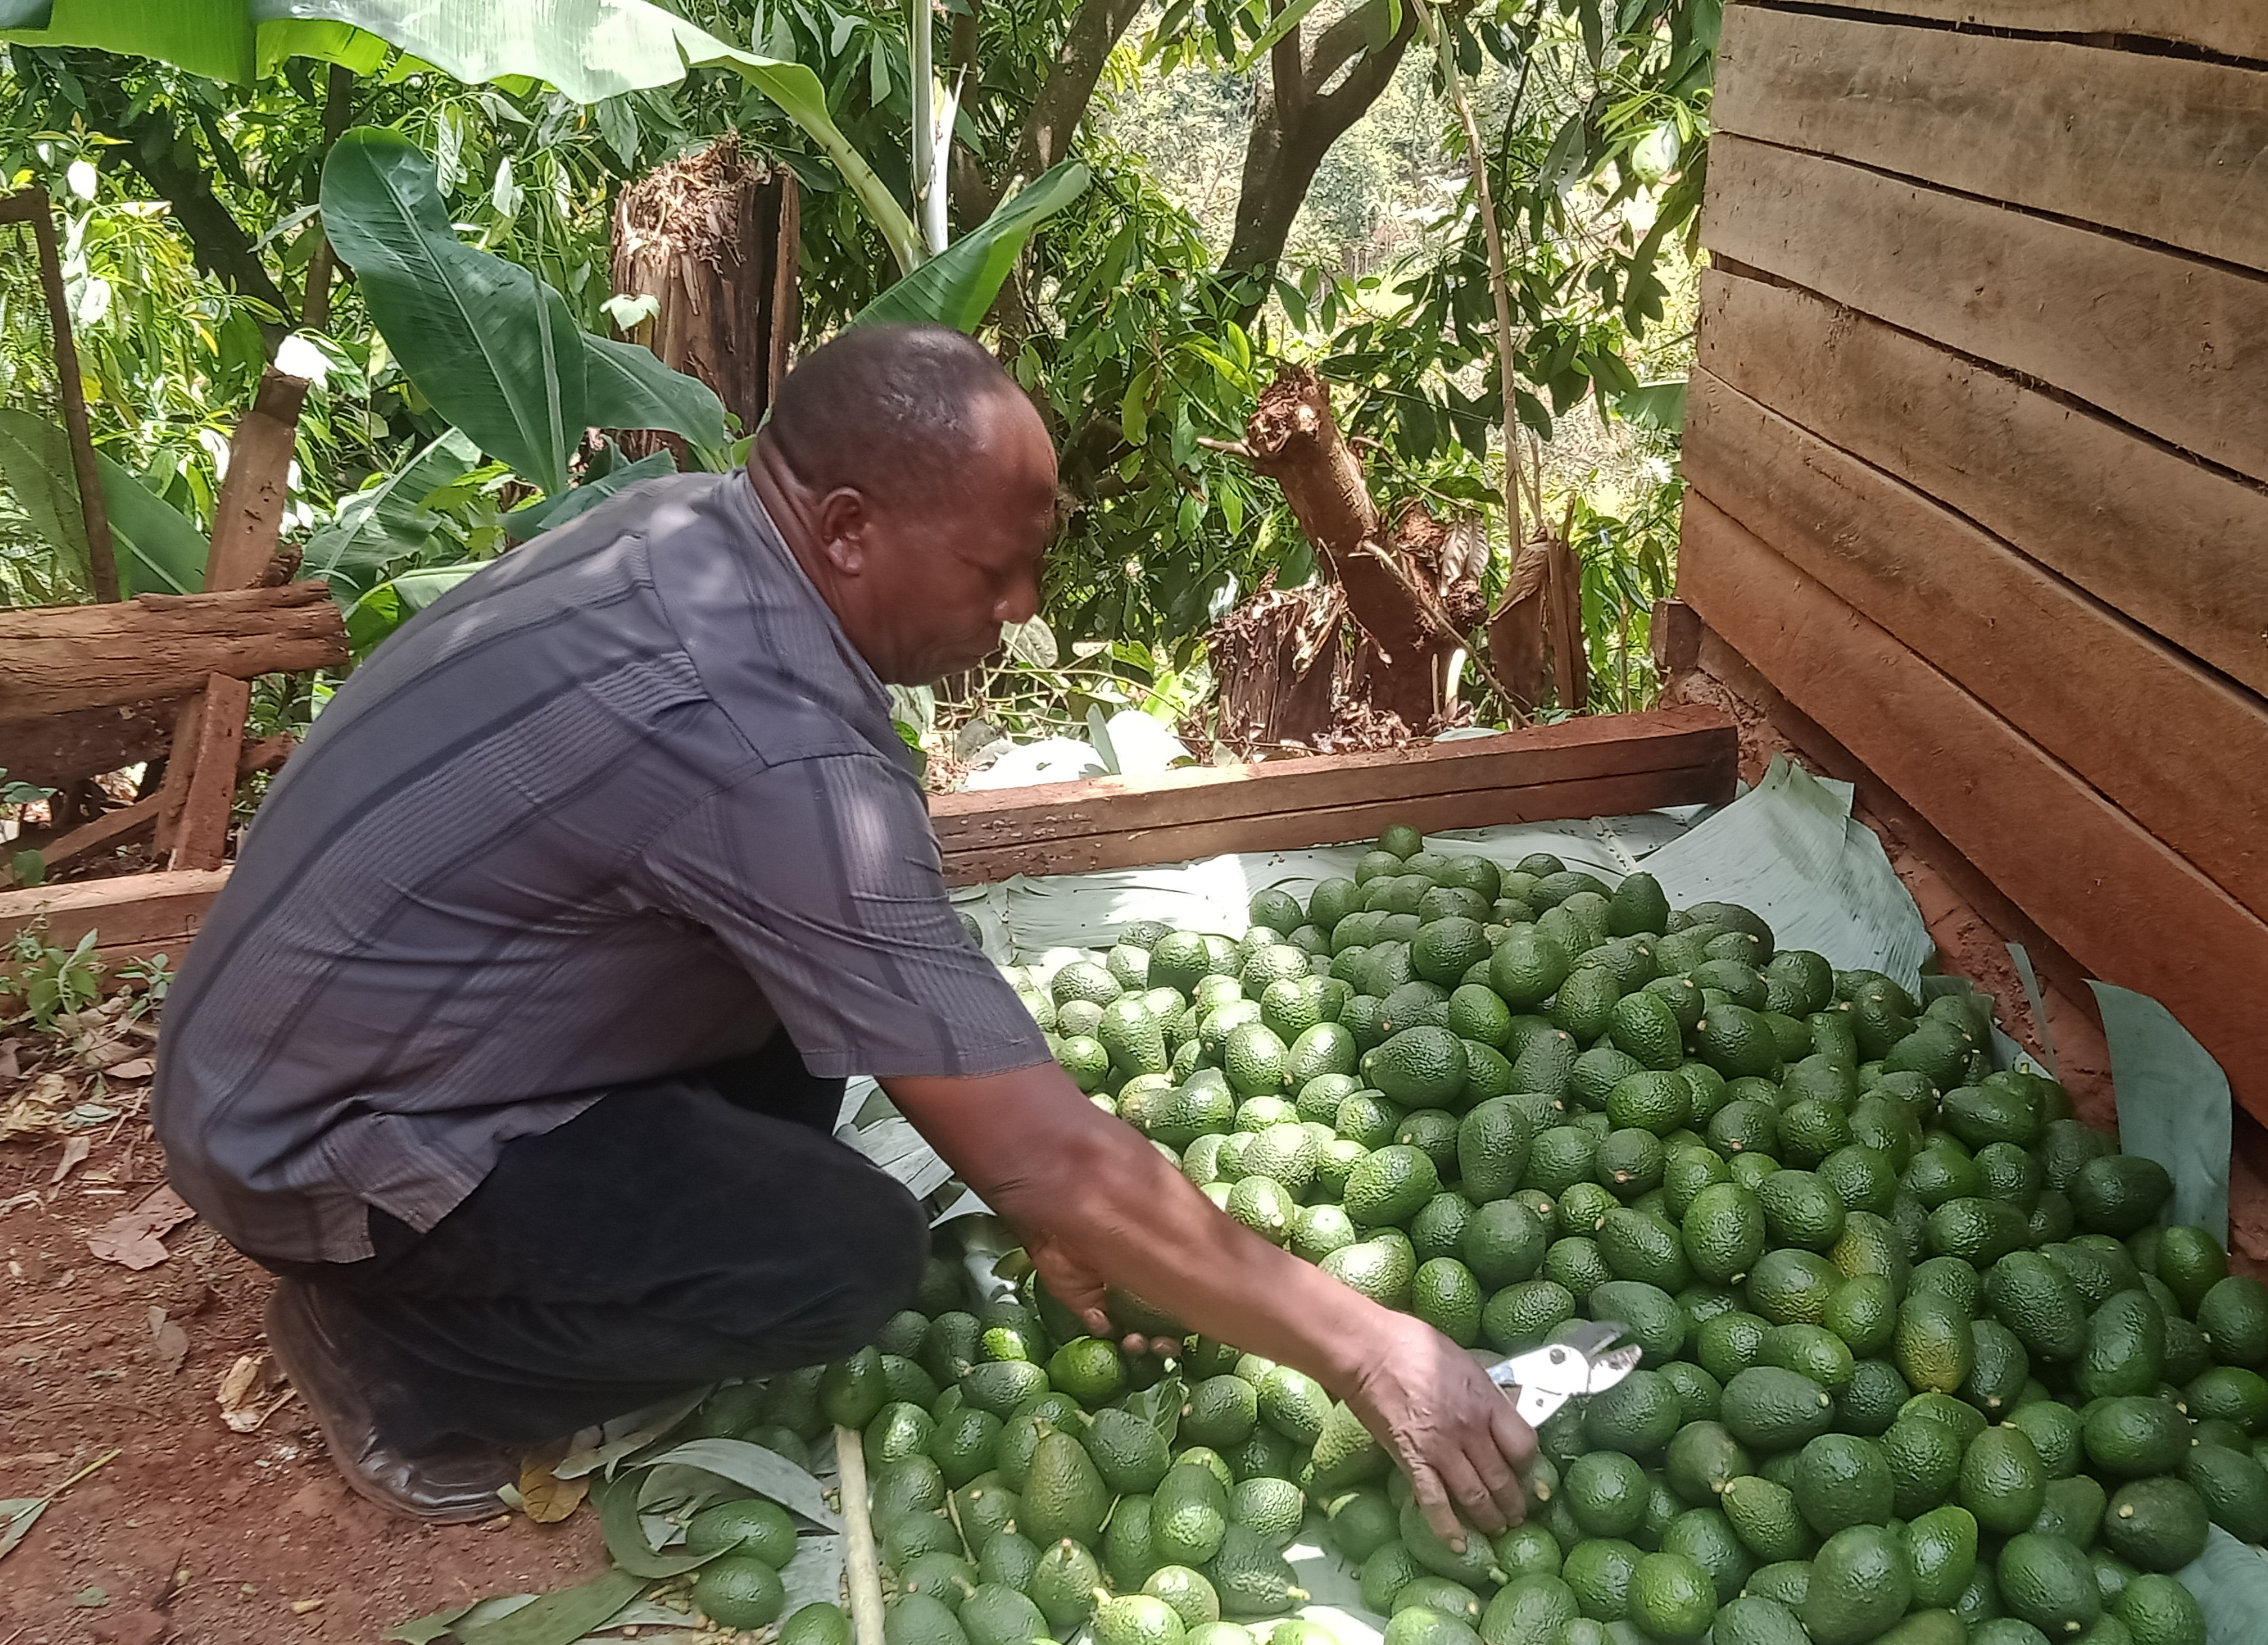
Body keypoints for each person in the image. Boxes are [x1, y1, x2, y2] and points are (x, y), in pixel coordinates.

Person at [152, 323, 1533, 1544]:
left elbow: (918, 1013)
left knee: (817, 1045)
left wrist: (1049, 1192)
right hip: (317, 1135)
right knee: (838, 1264)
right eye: (995, 571)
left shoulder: (692, 530)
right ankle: (400, 1359)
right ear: (852, 527)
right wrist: (1367, 1349)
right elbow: (1047, 1150)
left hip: (317, 1041)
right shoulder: (765, 741)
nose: (1020, 613)